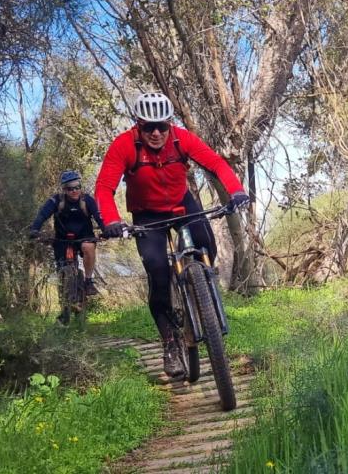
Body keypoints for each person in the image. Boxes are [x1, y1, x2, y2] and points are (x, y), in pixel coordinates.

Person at [95, 92, 249, 377]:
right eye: (148, 126)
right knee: (156, 269)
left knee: (206, 244)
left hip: (181, 205)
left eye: (162, 126)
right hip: (147, 214)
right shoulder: (124, 145)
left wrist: (236, 190)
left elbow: (216, 163)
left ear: (170, 124)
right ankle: (170, 341)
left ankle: (200, 289)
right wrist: (112, 220)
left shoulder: (182, 139)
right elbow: (104, 187)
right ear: (138, 125)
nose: (156, 133)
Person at [29, 170, 105, 306]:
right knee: (63, 268)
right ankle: (65, 299)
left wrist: (106, 230)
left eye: (77, 187)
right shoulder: (56, 201)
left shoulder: (87, 200)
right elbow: (42, 215)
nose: (74, 191)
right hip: (62, 239)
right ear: (64, 189)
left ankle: (88, 281)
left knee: (88, 247)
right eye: (70, 189)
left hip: (84, 236)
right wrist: (35, 229)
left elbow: (99, 217)